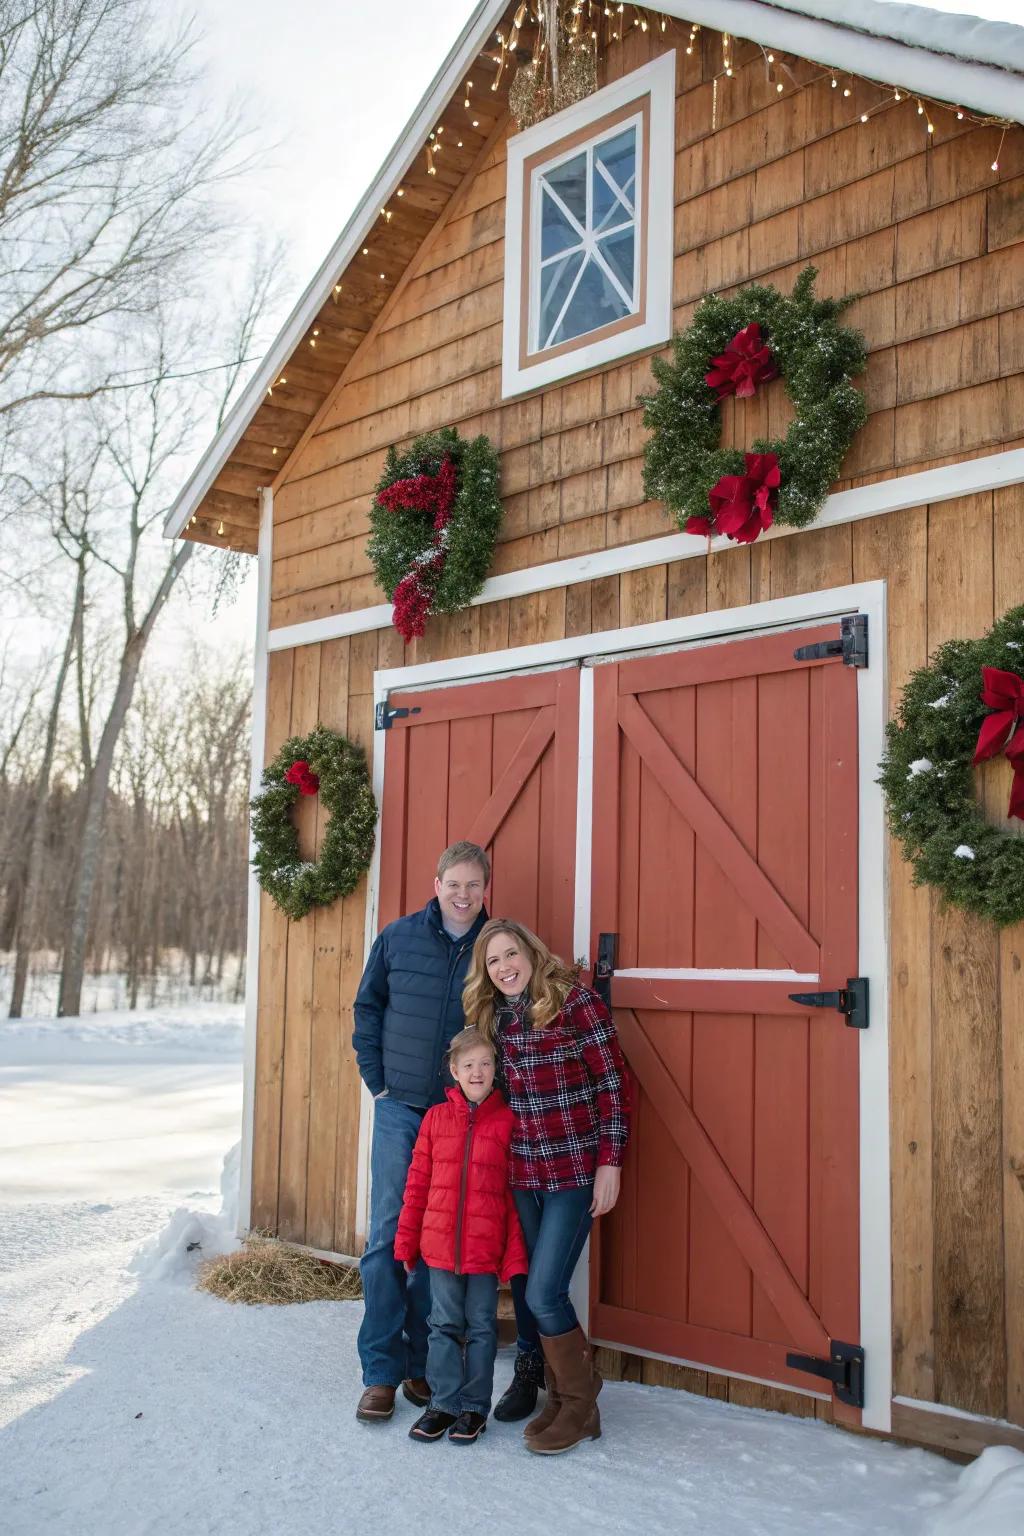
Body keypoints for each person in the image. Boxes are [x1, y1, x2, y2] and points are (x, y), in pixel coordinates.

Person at [463, 918, 630, 1455]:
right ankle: (562, 1396)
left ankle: (582, 1405)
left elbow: (613, 1083)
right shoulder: (496, 1019)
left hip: (574, 1171)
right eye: (493, 961)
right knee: (536, 1288)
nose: (505, 967)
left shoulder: (574, 1003)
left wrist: (611, 1163)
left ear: (531, 954)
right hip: (523, 1173)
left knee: (543, 1291)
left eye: (511, 954)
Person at [351, 840, 490, 1424]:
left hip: (457, 1116)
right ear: (437, 885)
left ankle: (419, 1362)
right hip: (402, 1109)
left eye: (474, 886)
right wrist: (378, 1082)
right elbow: (368, 1008)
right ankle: (381, 1372)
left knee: (436, 1242)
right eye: (453, 884)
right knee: (388, 1236)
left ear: (486, 891)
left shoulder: (493, 946)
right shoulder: (398, 936)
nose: (463, 895)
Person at [394, 1026, 528, 1444]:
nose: (477, 1071)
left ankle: (473, 1408)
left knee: (483, 1326)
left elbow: (513, 1197)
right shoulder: (435, 1120)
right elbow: (416, 1184)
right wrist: (406, 1238)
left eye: (485, 1064)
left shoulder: (507, 1122)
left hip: (484, 1252)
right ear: (453, 1070)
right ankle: (443, 1403)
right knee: (444, 1325)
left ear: (495, 1070)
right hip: (438, 1248)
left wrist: (513, 1254)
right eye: (468, 1064)